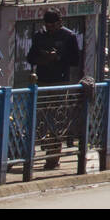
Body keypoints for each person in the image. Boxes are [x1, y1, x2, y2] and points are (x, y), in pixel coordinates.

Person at [27, 9, 81, 170]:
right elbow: (30, 57)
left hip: (60, 82)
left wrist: (58, 58)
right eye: (47, 25)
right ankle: (33, 155)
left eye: (53, 25)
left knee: (56, 121)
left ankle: (53, 158)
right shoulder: (39, 36)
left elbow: (75, 60)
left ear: (60, 23)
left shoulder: (69, 37)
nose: (50, 28)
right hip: (42, 81)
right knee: (40, 120)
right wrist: (43, 58)